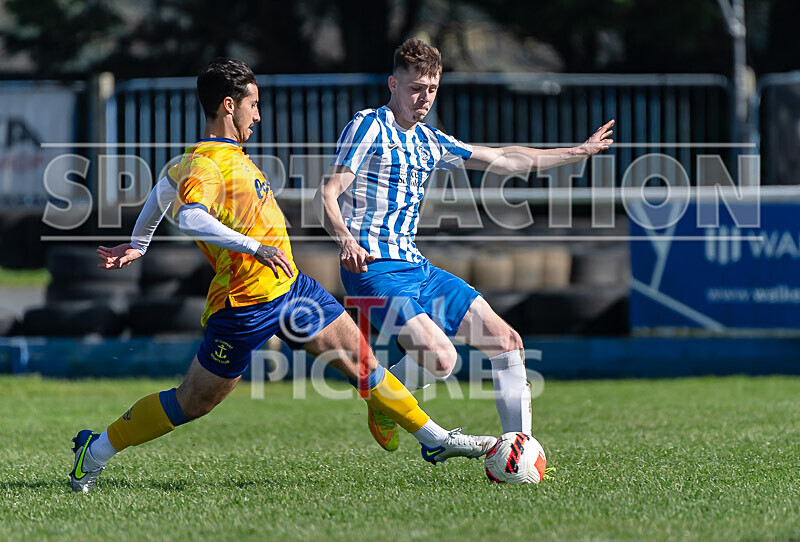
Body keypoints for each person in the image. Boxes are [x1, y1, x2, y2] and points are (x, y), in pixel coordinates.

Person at [70, 58, 496, 493]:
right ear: (229, 105)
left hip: (292, 288)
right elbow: (192, 217)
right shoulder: (208, 162)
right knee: (193, 401)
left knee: (361, 360)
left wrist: (139, 242)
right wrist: (254, 247)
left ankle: (435, 439)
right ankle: (96, 450)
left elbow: (164, 189)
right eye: (253, 105)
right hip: (244, 304)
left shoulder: (206, 158)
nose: (258, 115)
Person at [314, 38, 615, 451]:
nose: (424, 98)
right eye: (416, 88)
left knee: (507, 341)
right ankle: (384, 399)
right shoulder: (369, 126)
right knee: (442, 359)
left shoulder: (430, 140)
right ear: (393, 84)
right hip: (373, 270)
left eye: (432, 89)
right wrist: (345, 239)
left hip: (417, 268)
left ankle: (519, 451)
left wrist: (576, 152)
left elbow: (505, 159)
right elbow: (328, 192)